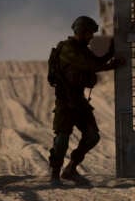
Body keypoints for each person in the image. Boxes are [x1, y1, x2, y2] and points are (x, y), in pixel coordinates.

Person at [48, 16, 124, 184]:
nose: (91, 37)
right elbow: (91, 65)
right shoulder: (68, 49)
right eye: (89, 33)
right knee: (62, 138)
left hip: (79, 101)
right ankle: (55, 174)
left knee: (92, 136)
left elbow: (95, 61)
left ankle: (71, 169)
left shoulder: (81, 48)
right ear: (81, 32)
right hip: (65, 102)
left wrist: (111, 51)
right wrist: (113, 64)